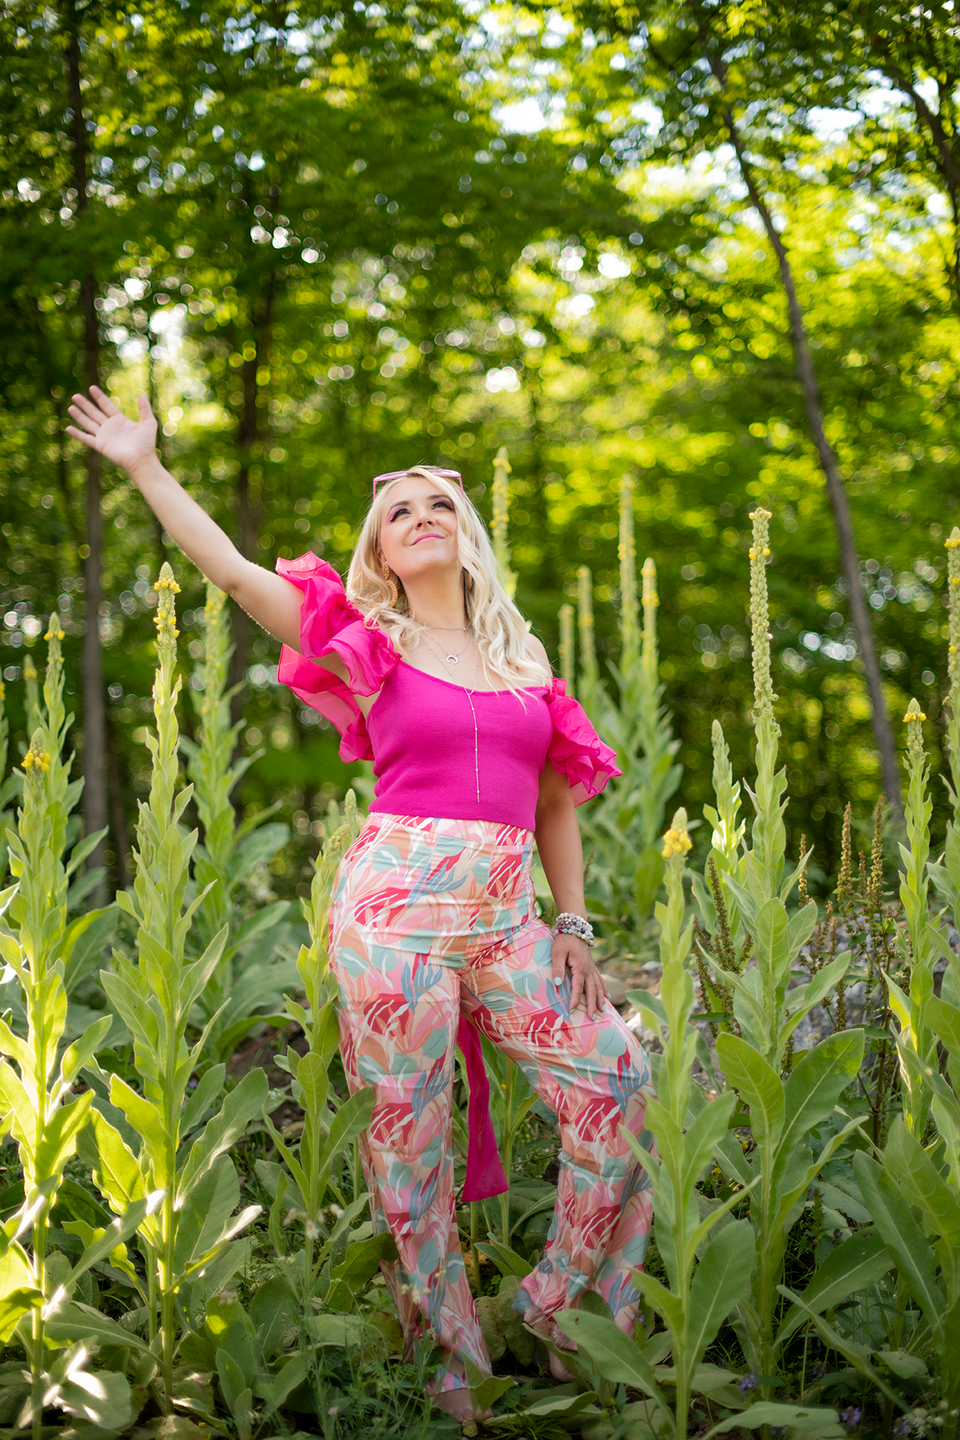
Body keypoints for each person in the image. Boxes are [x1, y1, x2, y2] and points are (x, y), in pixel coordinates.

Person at [66, 386, 656, 1426]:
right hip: (395, 912)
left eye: (440, 504)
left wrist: (573, 923)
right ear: (380, 550)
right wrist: (145, 467)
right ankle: (448, 1359)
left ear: (466, 534)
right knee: (408, 1134)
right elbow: (233, 573)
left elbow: (556, 802)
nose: (422, 517)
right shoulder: (364, 640)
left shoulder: (523, 663)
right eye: (400, 511)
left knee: (618, 1078)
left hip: (509, 918)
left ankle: (564, 1310)